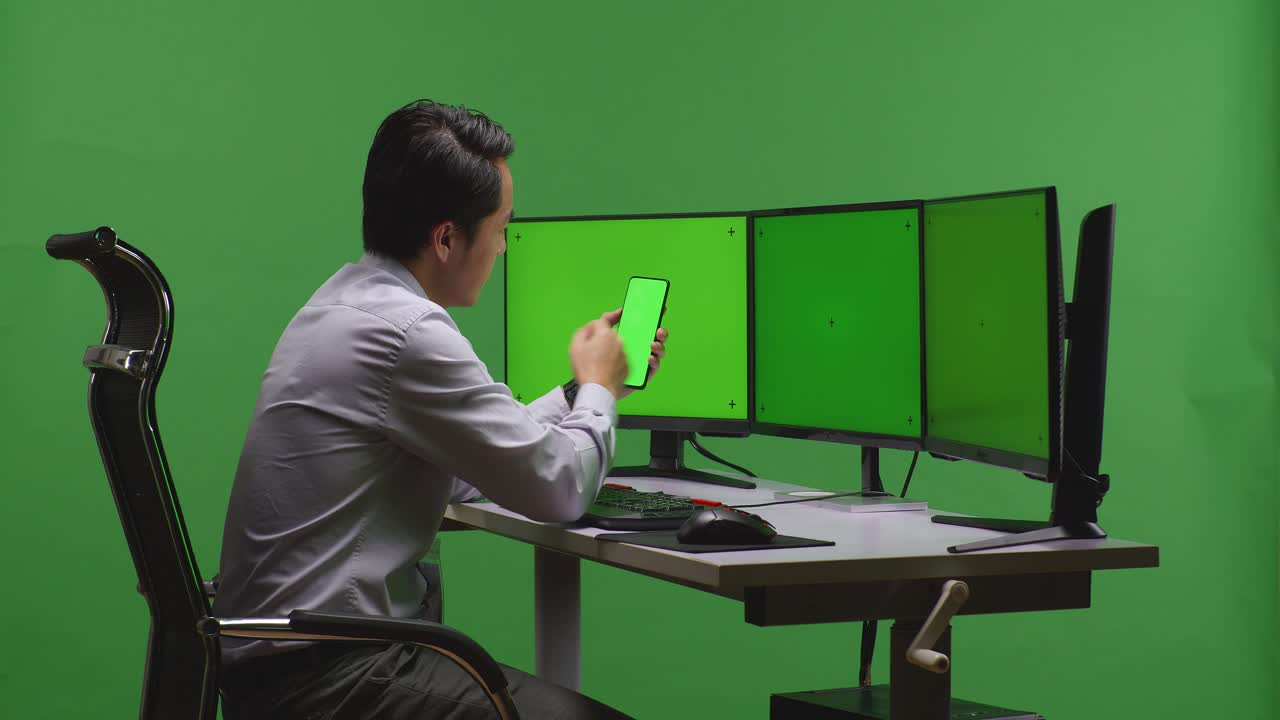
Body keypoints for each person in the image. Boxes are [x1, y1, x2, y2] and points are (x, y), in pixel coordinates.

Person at [214, 99, 666, 719]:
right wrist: (601, 391)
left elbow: (468, 468)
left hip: (283, 661)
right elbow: (560, 488)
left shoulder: (343, 305)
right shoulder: (406, 332)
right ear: (448, 239)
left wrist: (575, 393)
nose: (503, 248)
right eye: (502, 228)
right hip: (331, 676)